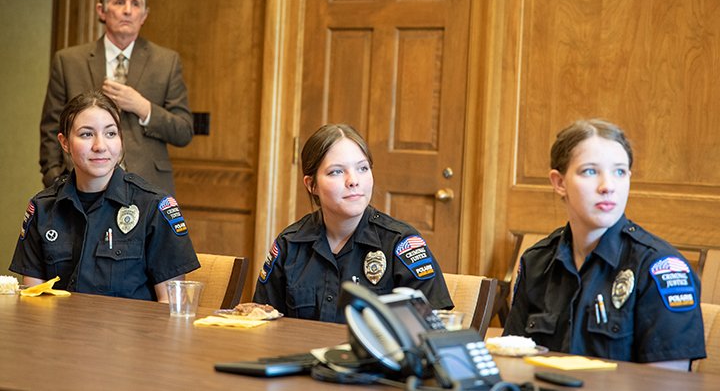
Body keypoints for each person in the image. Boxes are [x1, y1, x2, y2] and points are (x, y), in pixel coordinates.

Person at [503, 119, 706, 369]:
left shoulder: (659, 267)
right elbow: (512, 362)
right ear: (559, 182)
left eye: (619, 172)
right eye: (590, 171)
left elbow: (666, 384)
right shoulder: (537, 261)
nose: (608, 186)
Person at [253, 124, 453, 323]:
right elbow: (262, 321)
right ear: (311, 185)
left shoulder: (400, 244)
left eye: (362, 168)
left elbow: (433, 327)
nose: (353, 180)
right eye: (336, 172)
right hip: (301, 354)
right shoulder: (290, 245)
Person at [11, 90, 200, 302]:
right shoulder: (42, 208)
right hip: (60, 333)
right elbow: (33, 302)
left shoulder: (153, 206)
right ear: (64, 143)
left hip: (134, 334)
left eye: (110, 133)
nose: (100, 146)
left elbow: (171, 308)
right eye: (86, 134)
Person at [39, 0, 193, 195]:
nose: (127, 10)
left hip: (146, 188)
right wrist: (55, 177)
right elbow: (51, 128)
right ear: (101, 10)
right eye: (120, 2)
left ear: (144, 15)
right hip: (80, 186)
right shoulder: (69, 61)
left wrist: (143, 107)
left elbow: (184, 131)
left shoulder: (166, 62)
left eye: (135, 3)